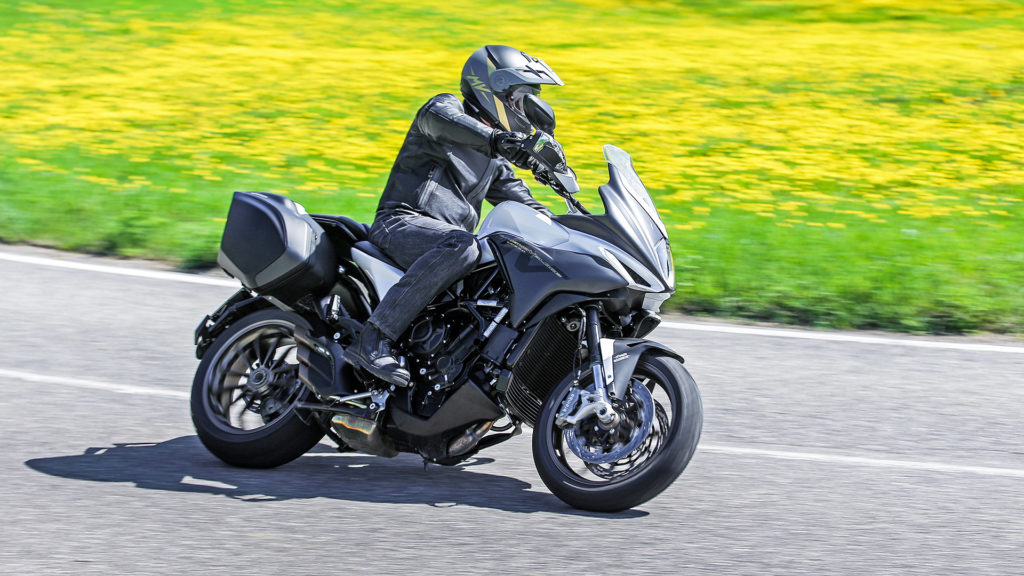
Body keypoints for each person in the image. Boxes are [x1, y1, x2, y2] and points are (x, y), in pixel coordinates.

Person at [343, 45, 563, 387]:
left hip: (447, 245)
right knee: (464, 245)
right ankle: (374, 338)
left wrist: (572, 230)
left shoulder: (494, 162)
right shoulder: (445, 111)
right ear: (493, 89)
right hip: (401, 223)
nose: (523, 110)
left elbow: (527, 207)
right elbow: (444, 121)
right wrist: (498, 140)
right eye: (519, 100)